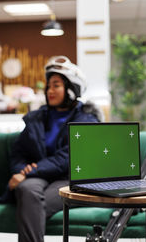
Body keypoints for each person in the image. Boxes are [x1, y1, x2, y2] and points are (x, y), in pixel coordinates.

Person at [7, 56, 101, 242]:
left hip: (70, 179)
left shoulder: (86, 119)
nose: (49, 91)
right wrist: (20, 171)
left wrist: (31, 170)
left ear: (72, 88)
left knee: (32, 204)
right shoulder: (37, 117)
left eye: (56, 85)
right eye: (48, 86)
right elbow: (19, 152)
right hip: (37, 177)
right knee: (26, 190)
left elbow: (67, 158)